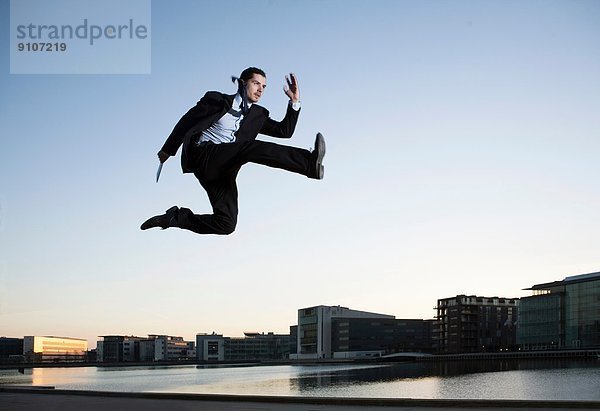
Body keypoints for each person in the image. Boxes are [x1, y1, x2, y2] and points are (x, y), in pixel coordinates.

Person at [141, 67, 326, 235]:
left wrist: (295, 102)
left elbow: (284, 131)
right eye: (256, 83)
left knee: (227, 223)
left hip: (223, 169)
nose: (261, 89)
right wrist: (167, 150)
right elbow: (186, 122)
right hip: (204, 156)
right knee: (249, 148)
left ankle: (175, 218)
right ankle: (309, 163)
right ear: (243, 83)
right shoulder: (217, 101)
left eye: (264, 86)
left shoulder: (257, 115)